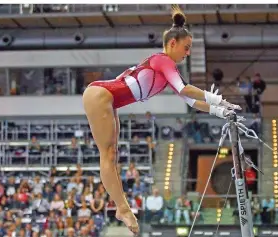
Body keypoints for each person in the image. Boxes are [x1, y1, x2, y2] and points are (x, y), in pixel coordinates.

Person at [82, 5, 241, 235]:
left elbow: (192, 102)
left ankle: (121, 207)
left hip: (108, 99)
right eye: (186, 48)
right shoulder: (163, 60)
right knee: (107, 154)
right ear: (173, 43)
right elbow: (185, 89)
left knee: (111, 154)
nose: (187, 53)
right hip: (100, 95)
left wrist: (221, 110)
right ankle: (122, 207)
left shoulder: (165, 71)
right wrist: (218, 99)